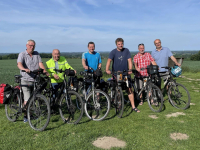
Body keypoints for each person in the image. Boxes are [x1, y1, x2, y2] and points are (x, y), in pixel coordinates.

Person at [17, 39, 49, 123]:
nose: (32, 47)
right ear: (26, 46)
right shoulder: (22, 54)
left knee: (34, 98)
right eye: (30, 45)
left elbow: (40, 64)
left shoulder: (36, 54)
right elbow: (19, 64)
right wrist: (24, 69)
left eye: (33, 46)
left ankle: (30, 113)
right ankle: (25, 116)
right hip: (25, 80)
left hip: (35, 80)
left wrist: (45, 71)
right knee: (27, 99)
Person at [106, 38, 140, 112]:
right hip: (117, 73)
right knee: (118, 89)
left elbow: (130, 60)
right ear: (116, 45)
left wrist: (130, 69)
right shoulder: (113, 52)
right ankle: (119, 105)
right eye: (119, 44)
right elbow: (109, 61)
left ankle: (133, 106)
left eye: (121, 44)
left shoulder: (126, 50)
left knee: (129, 89)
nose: (120, 45)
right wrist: (107, 69)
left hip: (125, 73)